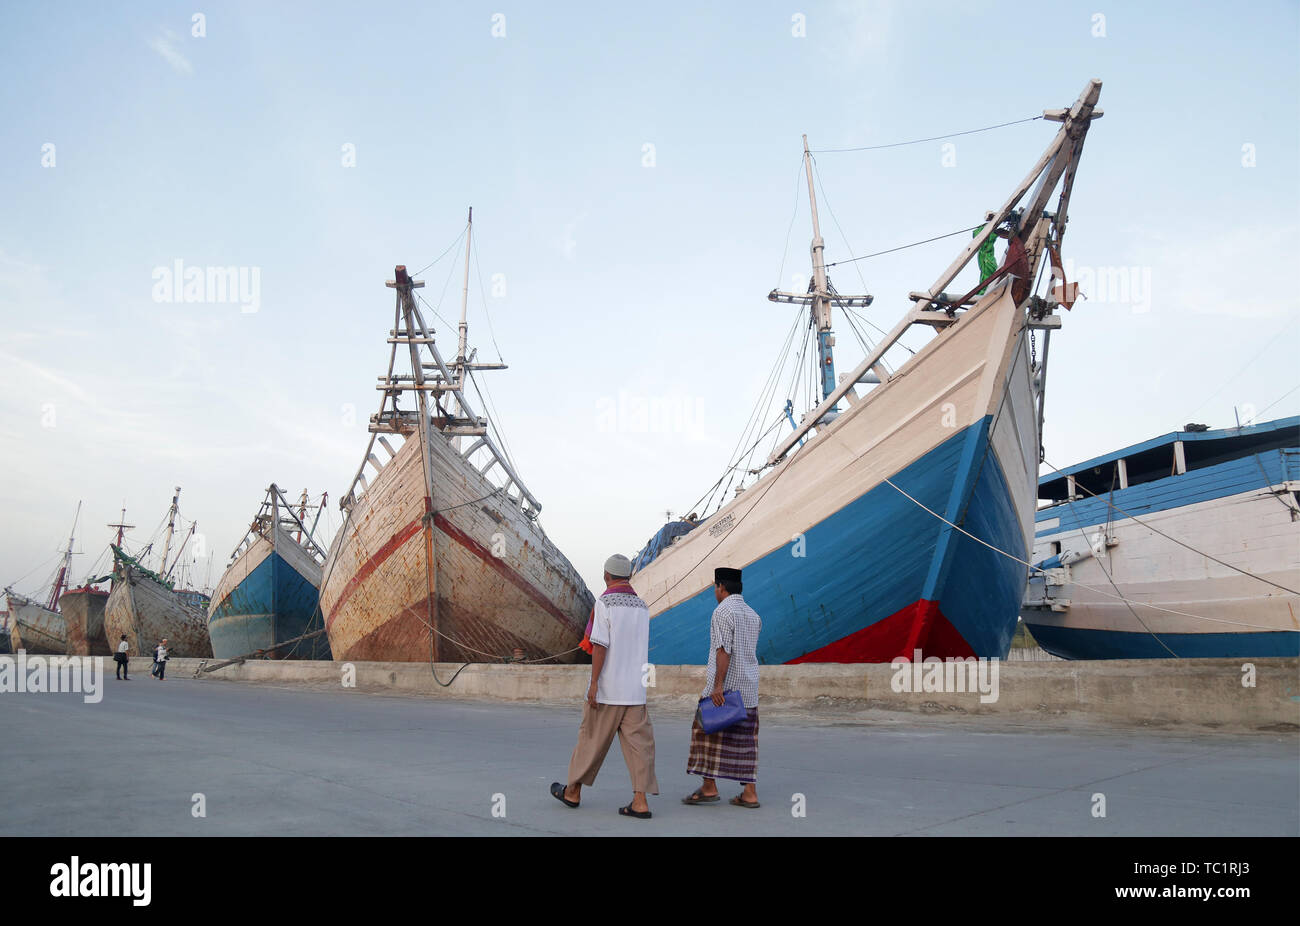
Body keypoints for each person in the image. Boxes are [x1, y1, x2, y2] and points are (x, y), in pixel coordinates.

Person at [551, 554, 658, 819]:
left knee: (591, 740)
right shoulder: (642, 606)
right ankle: (640, 801)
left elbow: (600, 646)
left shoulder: (604, 604)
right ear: (629, 577)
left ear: (607, 576)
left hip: (609, 689)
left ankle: (573, 792)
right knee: (639, 747)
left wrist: (594, 684)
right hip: (635, 691)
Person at [682, 566, 762, 809]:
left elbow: (723, 650)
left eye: (715, 587)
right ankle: (749, 793)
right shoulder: (753, 615)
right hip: (748, 690)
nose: (715, 591)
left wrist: (718, 686)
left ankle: (709, 787)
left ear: (721, 587)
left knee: (703, 732)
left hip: (726, 690)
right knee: (746, 741)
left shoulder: (722, 612)